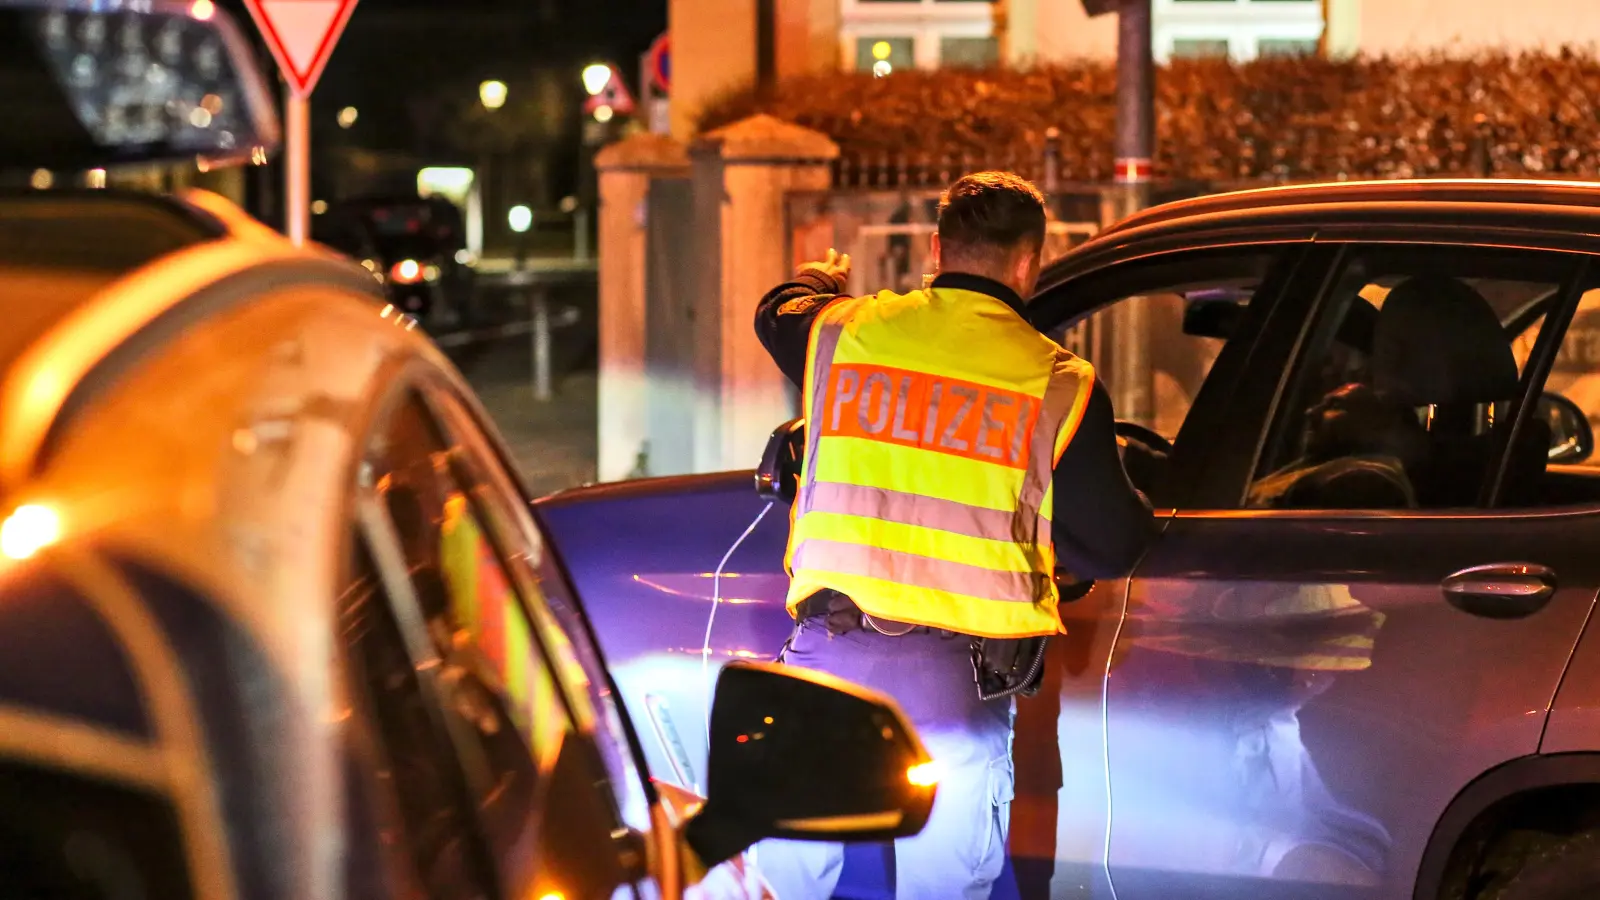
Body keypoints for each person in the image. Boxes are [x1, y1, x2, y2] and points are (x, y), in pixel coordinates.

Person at [751, 172, 1158, 899]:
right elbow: (1113, 542)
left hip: (826, 662)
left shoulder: (846, 330)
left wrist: (821, 275)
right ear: (1029, 263)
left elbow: (777, 311)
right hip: (955, 687)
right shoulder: (1059, 382)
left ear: (937, 249)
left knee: (781, 887)